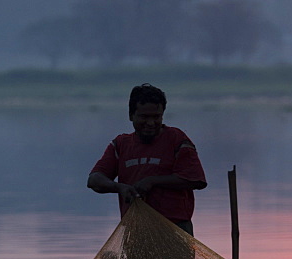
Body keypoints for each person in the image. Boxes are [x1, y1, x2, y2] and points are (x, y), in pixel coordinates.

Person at [88, 83, 207, 235]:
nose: (150, 123)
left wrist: (152, 181)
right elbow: (94, 180)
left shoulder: (177, 140)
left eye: (156, 117)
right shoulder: (121, 144)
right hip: (134, 230)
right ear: (131, 116)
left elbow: (196, 180)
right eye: (144, 117)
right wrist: (120, 187)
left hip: (175, 230)